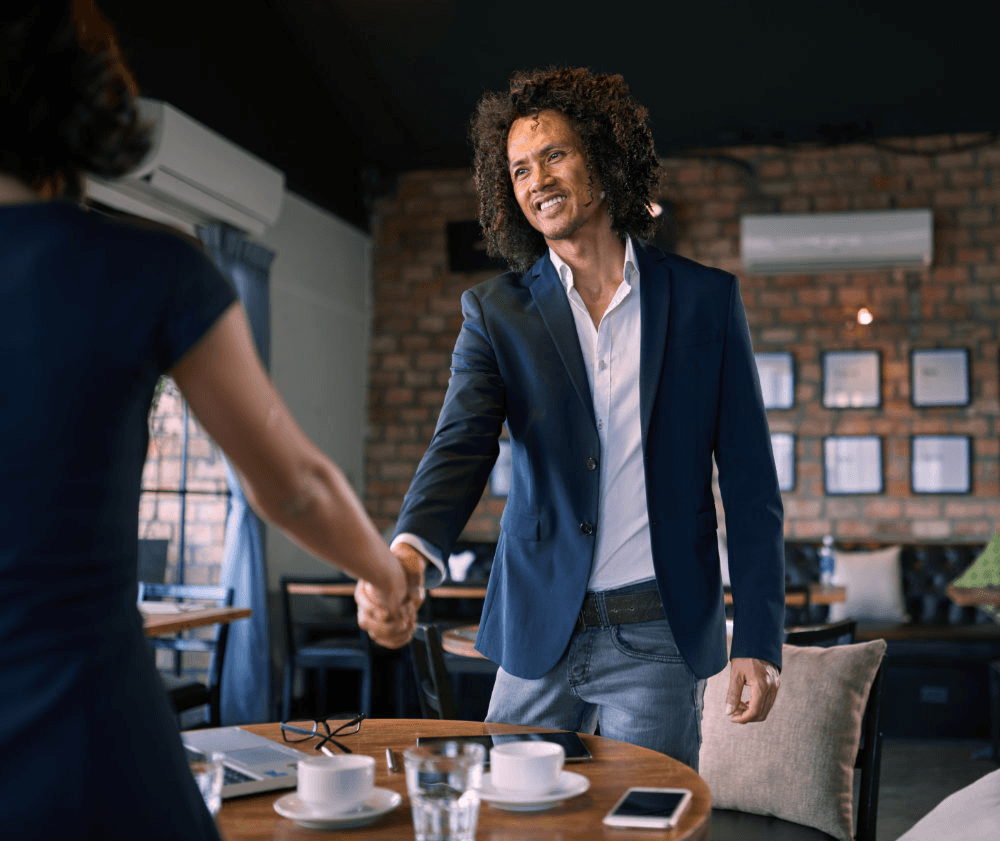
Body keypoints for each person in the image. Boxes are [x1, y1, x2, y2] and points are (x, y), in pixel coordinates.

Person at [0, 3, 420, 839]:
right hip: (89, 741)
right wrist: (383, 573)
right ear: (86, 102)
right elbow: (294, 485)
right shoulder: (149, 269)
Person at [357, 66, 784, 769]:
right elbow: (460, 445)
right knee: (507, 820)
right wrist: (408, 554)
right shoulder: (496, 313)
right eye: (519, 168)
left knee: (641, 823)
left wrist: (759, 639)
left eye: (554, 154)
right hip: (534, 633)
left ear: (604, 156)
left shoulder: (706, 301)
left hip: (658, 636)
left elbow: (749, 482)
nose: (536, 180)